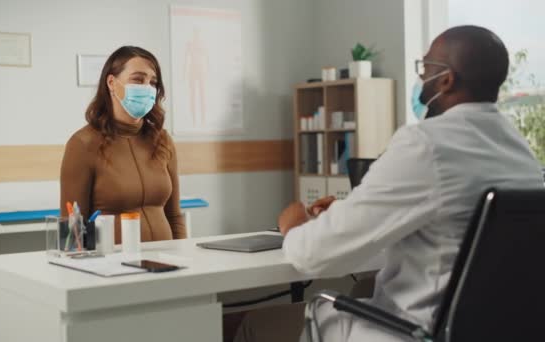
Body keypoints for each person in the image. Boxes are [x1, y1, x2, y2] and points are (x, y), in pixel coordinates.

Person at [234, 25, 544, 342]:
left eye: (426, 68)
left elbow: (315, 255)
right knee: (364, 287)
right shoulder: (520, 152)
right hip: (492, 330)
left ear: (446, 79)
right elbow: (450, 217)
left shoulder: (426, 143)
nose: (421, 79)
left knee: (258, 324)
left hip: (415, 331)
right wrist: (346, 209)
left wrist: (295, 228)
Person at [60, 46, 186, 243]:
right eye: (138, 79)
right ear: (112, 82)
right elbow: (72, 227)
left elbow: (175, 216)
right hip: (112, 267)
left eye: (153, 82)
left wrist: (183, 255)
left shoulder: (162, 140)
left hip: (166, 261)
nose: (147, 87)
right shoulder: (83, 144)